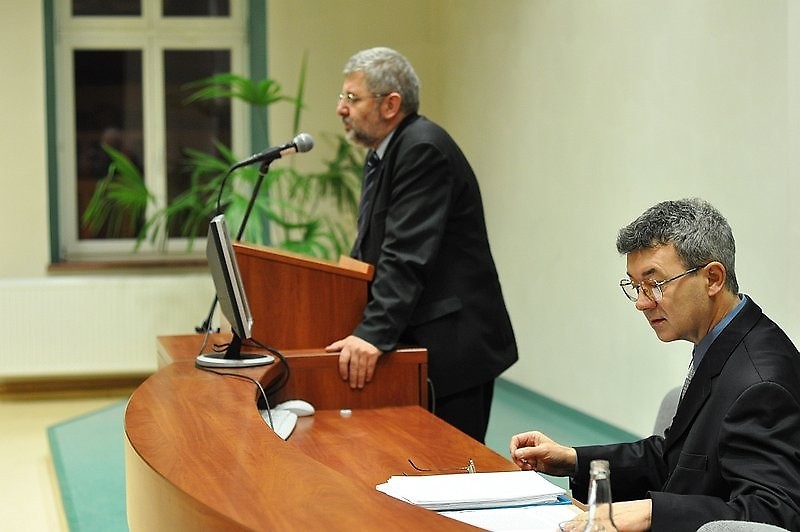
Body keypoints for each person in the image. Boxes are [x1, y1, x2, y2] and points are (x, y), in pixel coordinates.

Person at [509, 198, 800, 531]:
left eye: (655, 284)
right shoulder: (724, 342)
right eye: (636, 287)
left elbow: (775, 515)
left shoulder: (759, 384)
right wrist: (573, 460)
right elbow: (679, 459)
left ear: (712, 278)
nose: (642, 303)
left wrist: (650, 513)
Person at [325, 47, 517, 442]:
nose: (341, 108)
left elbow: (405, 255)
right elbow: (373, 249)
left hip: (451, 348)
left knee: (450, 465)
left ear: (390, 104)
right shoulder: (388, 152)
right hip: (424, 341)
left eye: (352, 98)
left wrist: (372, 333)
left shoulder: (421, 148)